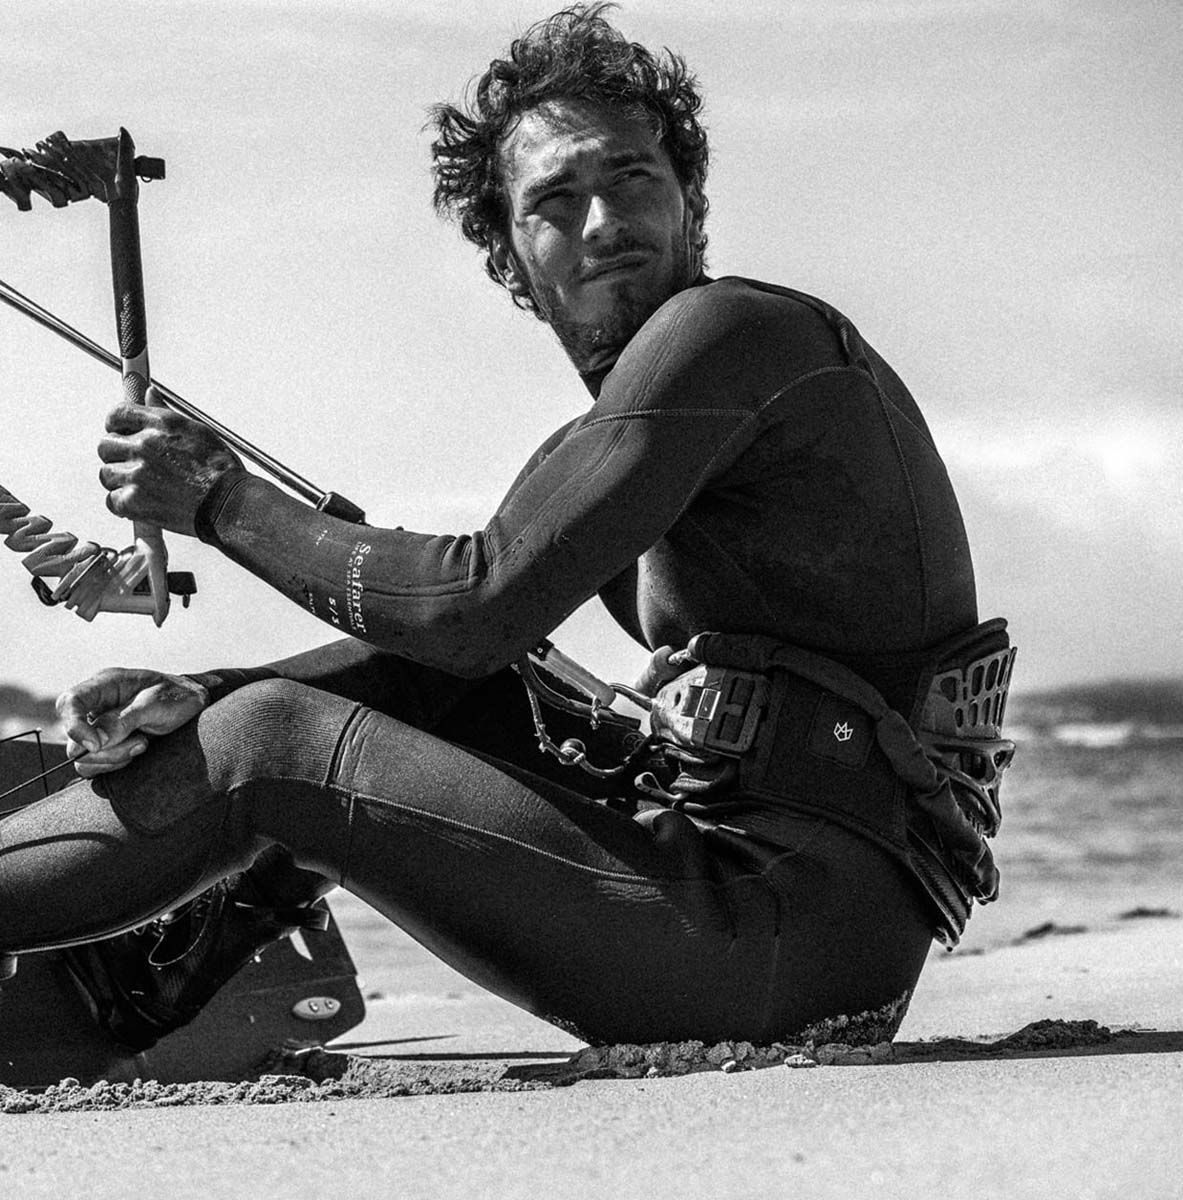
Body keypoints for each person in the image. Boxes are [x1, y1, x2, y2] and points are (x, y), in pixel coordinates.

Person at [0, 4, 1014, 1056]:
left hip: (779, 931)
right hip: (777, 919)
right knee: (414, 696)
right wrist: (199, 698)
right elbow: (454, 655)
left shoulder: (737, 335)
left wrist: (223, 502)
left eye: (631, 178)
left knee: (275, 744)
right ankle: (144, 977)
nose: (602, 223)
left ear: (691, 201)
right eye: (553, 202)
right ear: (509, 255)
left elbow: (473, 605)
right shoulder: (621, 433)